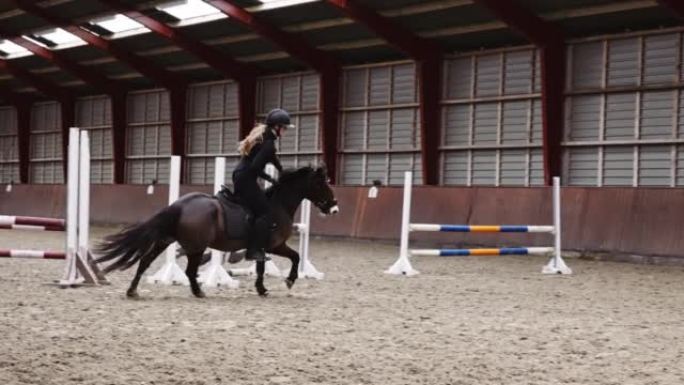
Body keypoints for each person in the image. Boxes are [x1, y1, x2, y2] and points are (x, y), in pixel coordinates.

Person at [232, 108, 293, 262]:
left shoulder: (266, 139)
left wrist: (281, 172)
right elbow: (255, 167)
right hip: (246, 179)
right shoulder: (268, 144)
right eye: (284, 128)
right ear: (277, 127)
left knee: (254, 207)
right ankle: (253, 250)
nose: (285, 131)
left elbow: (273, 159)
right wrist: (270, 179)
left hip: (240, 175)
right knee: (265, 212)